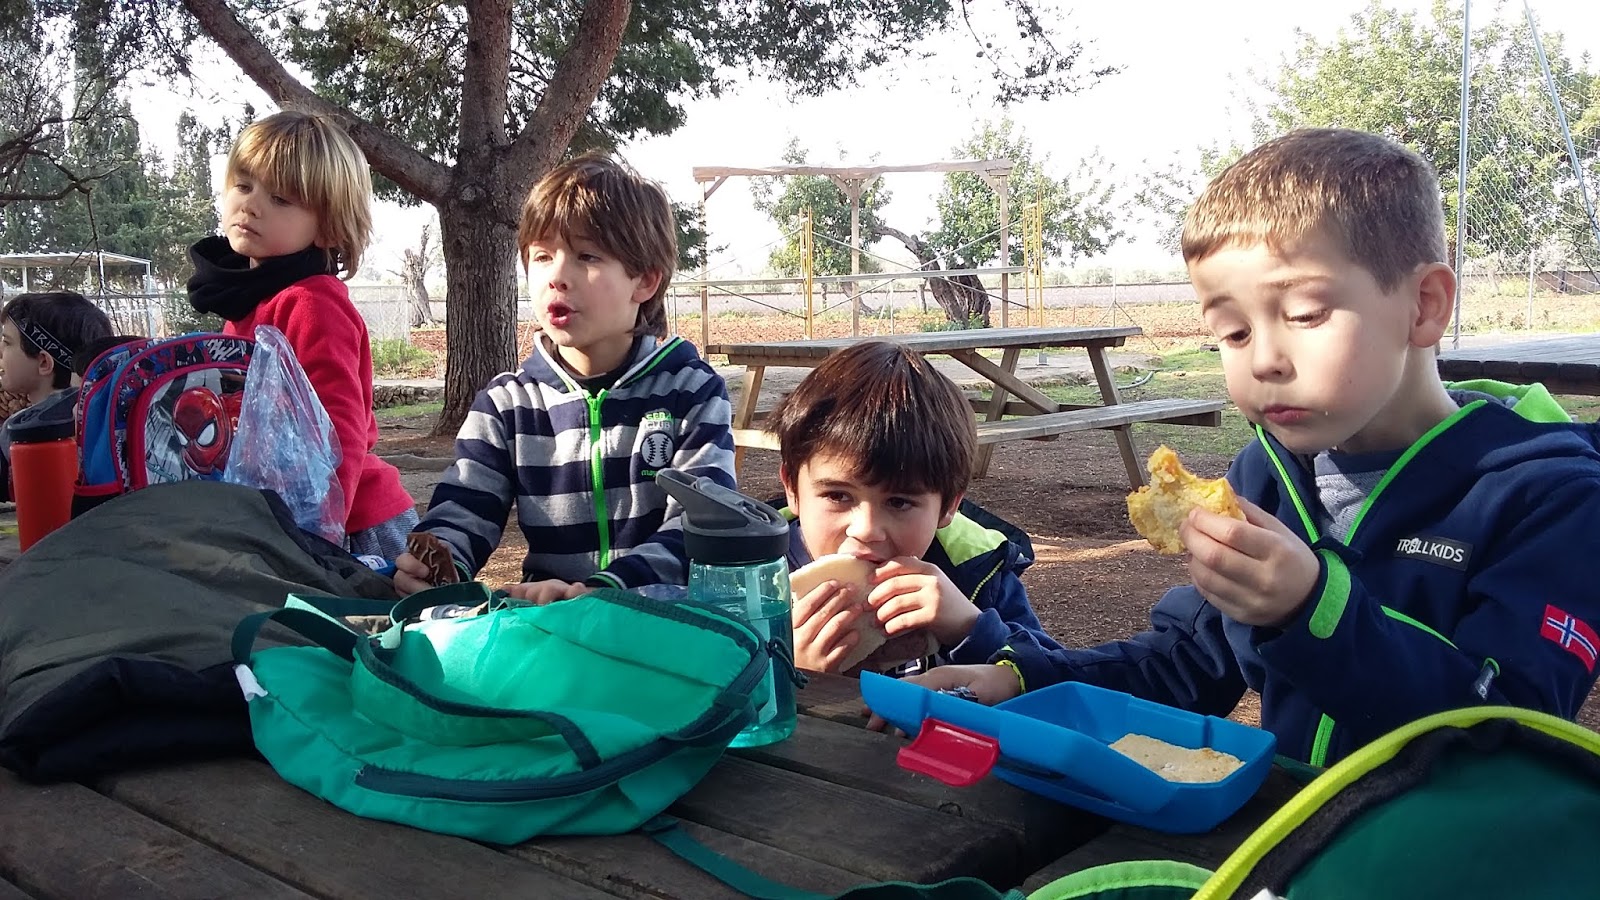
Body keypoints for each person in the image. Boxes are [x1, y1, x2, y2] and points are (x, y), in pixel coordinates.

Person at [906, 128, 1600, 766]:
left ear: (1424, 306)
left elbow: (1515, 734)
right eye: (1233, 333)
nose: (1263, 359)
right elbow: (1188, 663)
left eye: (1305, 314)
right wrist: (1021, 677)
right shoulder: (1268, 476)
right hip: (1301, 837)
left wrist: (1314, 611)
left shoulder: (1548, 500)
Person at [392, 153, 736, 601]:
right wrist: (438, 561)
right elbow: (464, 507)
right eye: (542, 256)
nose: (557, 276)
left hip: (656, 622)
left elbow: (699, 524)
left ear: (645, 281)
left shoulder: (692, 392)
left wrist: (602, 591)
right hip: (547, 618)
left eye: (586, 256)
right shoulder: (507, 405)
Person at [186, 109, 415, 558]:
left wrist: (320, 536)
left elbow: (339, 429)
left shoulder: (311, 303)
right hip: (281, 521)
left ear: (327, 227)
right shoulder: (244, 303)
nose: (252, 205)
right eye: (244, 185)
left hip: (348, 526)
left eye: (280, 199)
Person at [768, 340, 1060, 675]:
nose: (866, 530)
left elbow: (1058, 679)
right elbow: (720, 695)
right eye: (837, 496)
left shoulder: (977, 574)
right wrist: (789, 676)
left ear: (949, 506)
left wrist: (969, 628)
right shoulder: (747, 582)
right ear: (793, 489)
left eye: (899, 502)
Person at [0, 291, 113, 500]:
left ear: (44, 362)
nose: (0, 352)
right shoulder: (105, 420)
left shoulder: (16, 432)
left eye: (7, 342)